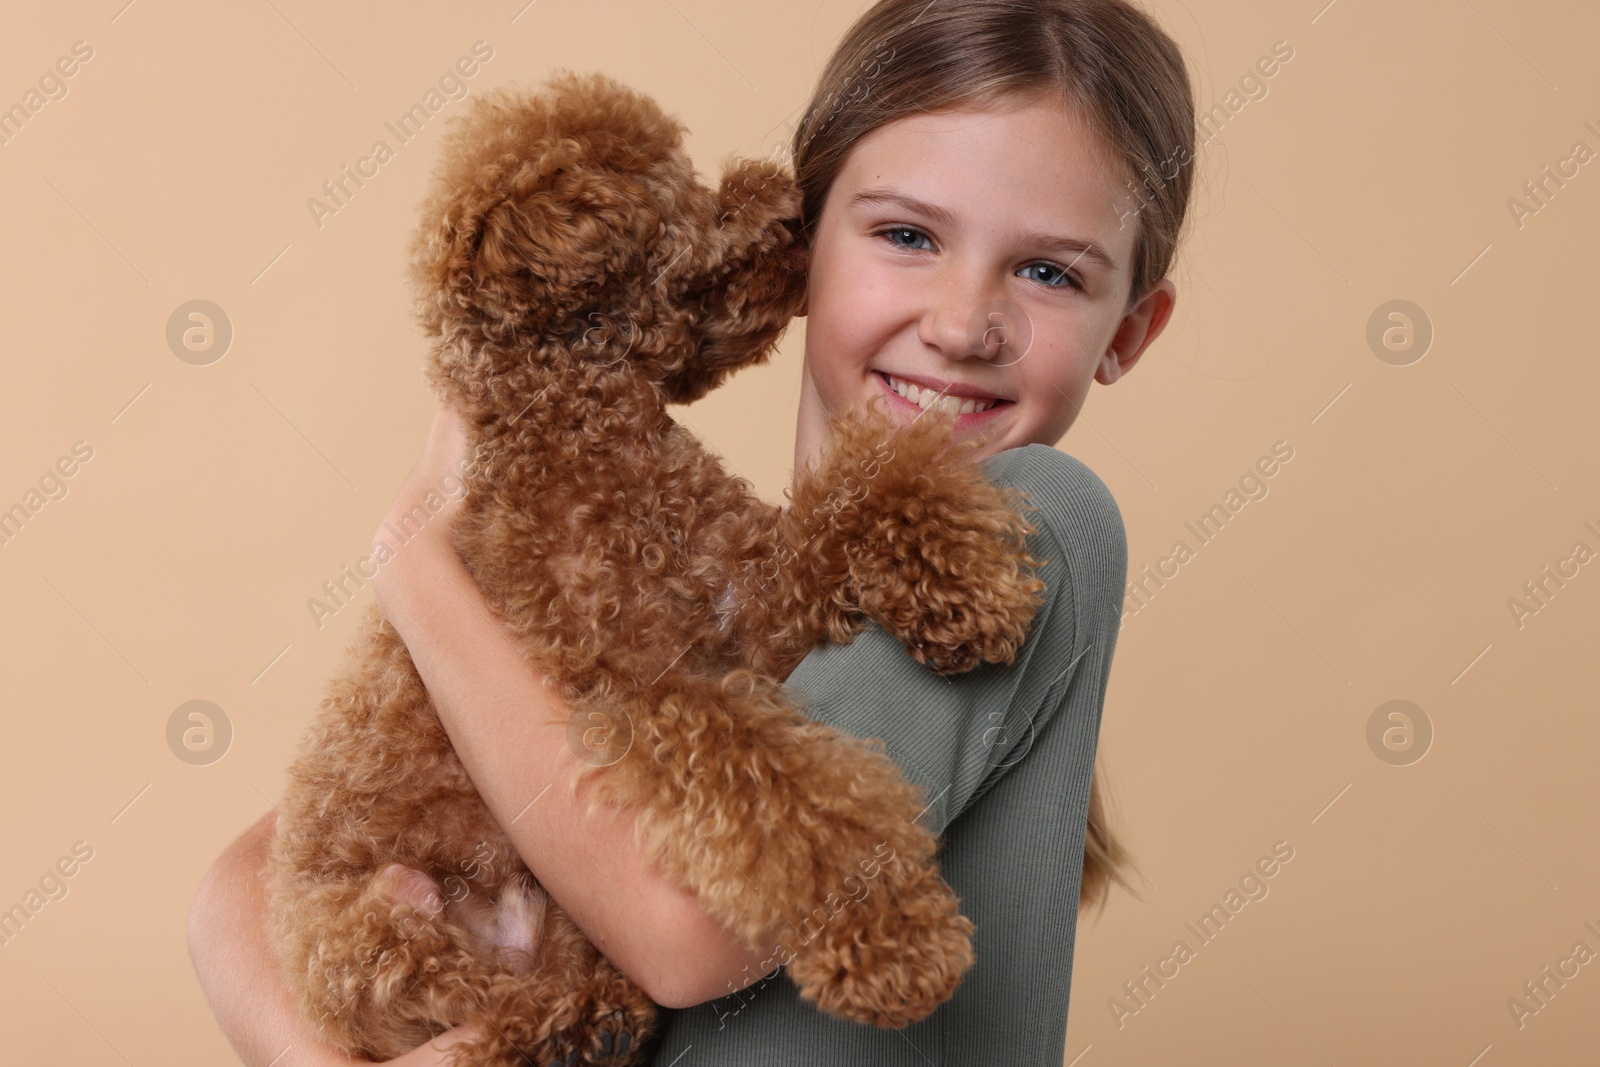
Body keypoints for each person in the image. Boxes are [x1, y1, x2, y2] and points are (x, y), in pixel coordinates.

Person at [186, 0, 1195, 1062]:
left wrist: (413, 560)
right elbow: (245, 881)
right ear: (799, 249)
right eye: (906, 235)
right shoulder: (712, 582)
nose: (960, 323)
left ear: (1129, 327)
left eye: (1048, 271)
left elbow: (686, 933)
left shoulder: (1034, 518)